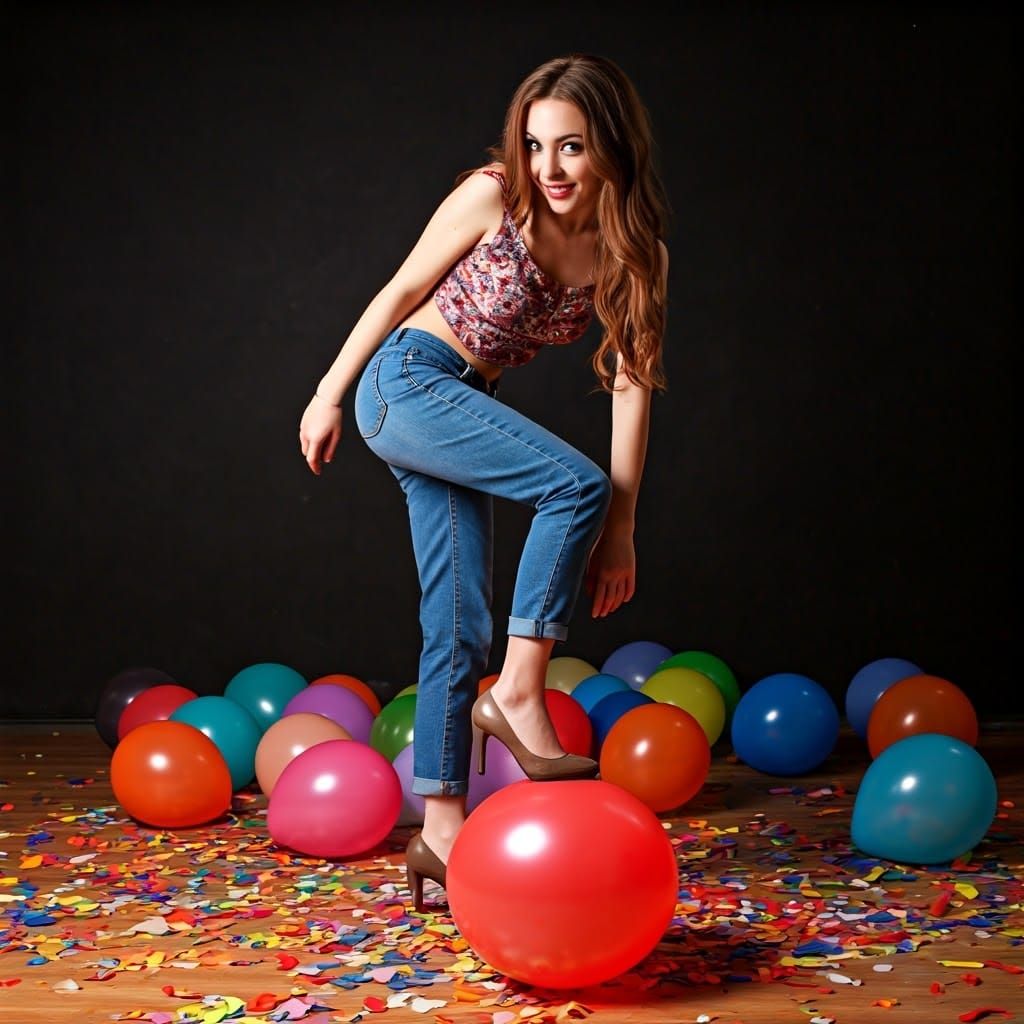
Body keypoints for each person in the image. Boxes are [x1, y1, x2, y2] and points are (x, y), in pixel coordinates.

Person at [298, 52, 669, 912]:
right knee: (573, 486)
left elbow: (631, 383)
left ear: (611, 144)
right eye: (536, 145)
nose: (549, 170)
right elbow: (400, 292)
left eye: (571, 148)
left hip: (464, 405)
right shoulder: (494, 196)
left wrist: (625, 528)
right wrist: (328, 393)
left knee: (456, 623)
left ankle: (439, 832)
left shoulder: (631, 250)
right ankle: (521, 691)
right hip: (409, 384)